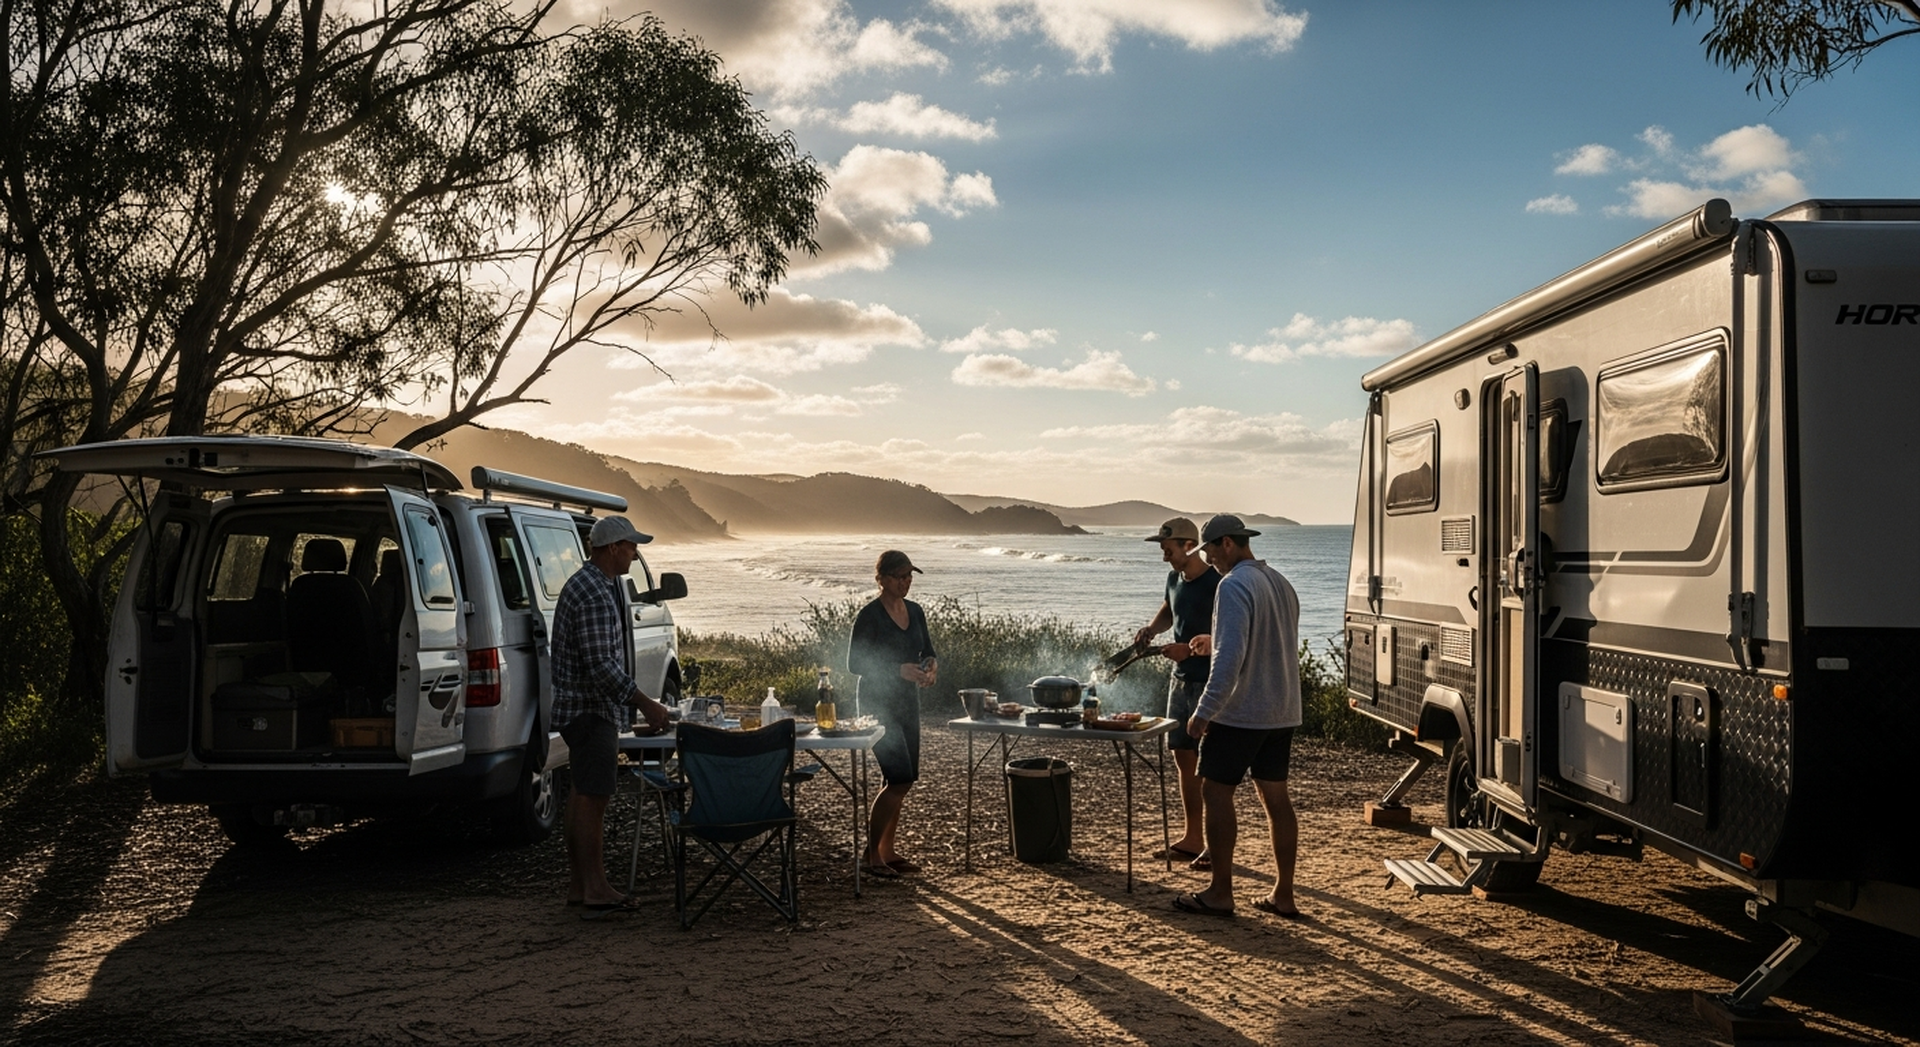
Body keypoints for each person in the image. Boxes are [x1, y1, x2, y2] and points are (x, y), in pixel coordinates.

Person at [1172, 514, 1303, 920]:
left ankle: (1220, 892)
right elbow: (1268, 642)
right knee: (1276, 799)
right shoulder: (1280, 583)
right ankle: (1283, 894)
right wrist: (1215, 641)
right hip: (1282, 710)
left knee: (1215, 791)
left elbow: (1231, 661)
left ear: (1227, 543)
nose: (1209, 560)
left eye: (1210, 550)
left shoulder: (1232, 585)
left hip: (1243, 711)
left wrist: (1203, 711)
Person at [551, 515, 671, 918]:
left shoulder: (595, 585)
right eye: (632, 547)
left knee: (581, 793)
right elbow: (600, 665)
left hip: (584, 709)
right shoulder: (594, 593)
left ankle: (580, 885)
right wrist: (645, 703)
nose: (636, 554)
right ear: (613, 548)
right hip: (589, 710)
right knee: (593, 797)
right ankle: (597, 888)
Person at [1131, 517, 1220, 871]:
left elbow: (1229, 636)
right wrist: (1150, 630)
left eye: (1167, 549)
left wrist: (1191, 650)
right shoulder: (1173, 578)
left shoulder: (1218, 583)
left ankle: (1215, 845)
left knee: (1210, 765)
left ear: (1189, 545)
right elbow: (1170, 608)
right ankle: (1192, 837)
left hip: (1208, 683)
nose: (1164, 556)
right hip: (1180, 681)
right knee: (1183, 759)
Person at [846, 549, 937, 877]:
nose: (906, 582)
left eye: (909, 576)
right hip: (877, 704)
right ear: (881, 579)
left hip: (907, 703)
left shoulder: (916, 611)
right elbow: (855, 664)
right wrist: (898, 670)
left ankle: (887, 850)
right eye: (900, 576)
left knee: (904, 779)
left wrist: (931, 667)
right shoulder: (869, 615)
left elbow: (927, 650)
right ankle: (871, 856)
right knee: (898, 777)